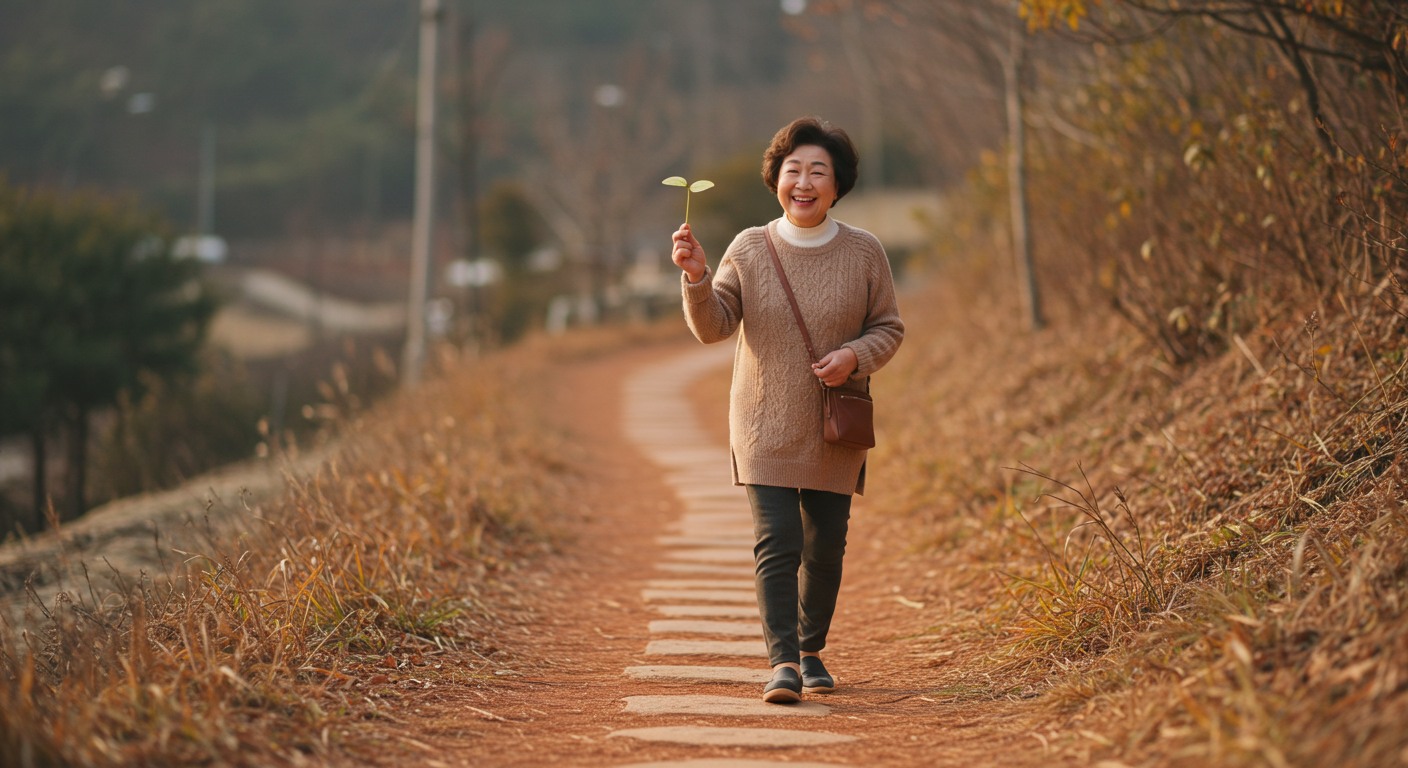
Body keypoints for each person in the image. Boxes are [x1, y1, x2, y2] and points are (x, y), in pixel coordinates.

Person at [670, 117, 904, 703]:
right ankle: (782, 665)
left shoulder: (864, 251)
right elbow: (714, 327)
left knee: (826, 544)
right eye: (793, 170)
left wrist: (854, 355)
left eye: (817, 172)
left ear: (837, 184)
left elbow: (890, 328)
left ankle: (810, 648)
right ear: (777, 178)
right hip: (762, 421)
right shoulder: (750, 247)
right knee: (777, 541)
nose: (803, 182)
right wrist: (697, 278)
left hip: (833, 429)